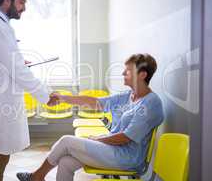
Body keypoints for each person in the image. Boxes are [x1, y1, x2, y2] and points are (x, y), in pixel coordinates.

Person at [17, 53, 164, 181]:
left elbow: (125, 138)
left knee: (66, 141)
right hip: (112, 148)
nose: (123, 73)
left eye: (128, 71)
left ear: (142, 75)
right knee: (66, 162)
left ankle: (36, 177)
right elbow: (95, 102)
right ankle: (36, 177)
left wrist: (97, 139)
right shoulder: (128, 96)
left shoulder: (151, 103)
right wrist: (64, 98)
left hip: (127, 158)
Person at [0, 0, 58, 181]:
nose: (24, 7)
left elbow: (6, 62)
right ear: (7, 1)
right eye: (21, 2)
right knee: (0, 153)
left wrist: (19, 63)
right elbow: (16, 69)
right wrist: (45, 95)